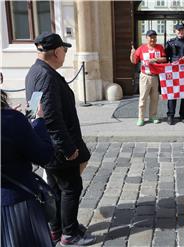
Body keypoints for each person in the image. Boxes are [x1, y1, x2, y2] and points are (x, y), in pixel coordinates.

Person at [25, 32, 95, 246]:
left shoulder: (35, 71)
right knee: (70, 188)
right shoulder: (46, 76)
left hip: (48, 144)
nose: (65, 53)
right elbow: (51, 118)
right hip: (58, 147)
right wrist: (67, 148)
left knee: (55, 188)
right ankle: (69, 234)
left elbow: (33, 110)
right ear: (56, 52)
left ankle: (57, 229)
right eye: (64, 50)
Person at [1, 89, 54, 247]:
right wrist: (38, 121)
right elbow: (43, 155)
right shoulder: (11, 120)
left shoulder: (11, 120)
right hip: (17, 204)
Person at [130, 29, 166, 126]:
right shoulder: (141, 48)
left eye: (154, 37)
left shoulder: (160, 47)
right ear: (146, 38)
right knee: (143, 98)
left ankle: (152, 116)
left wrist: (156, 59)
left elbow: (164, 59)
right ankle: (141, 118)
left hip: (155, 77)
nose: (153, 39)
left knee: (155, 98)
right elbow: (134, 61)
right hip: (145, 76)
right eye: (151, 37)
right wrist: (132, 53)